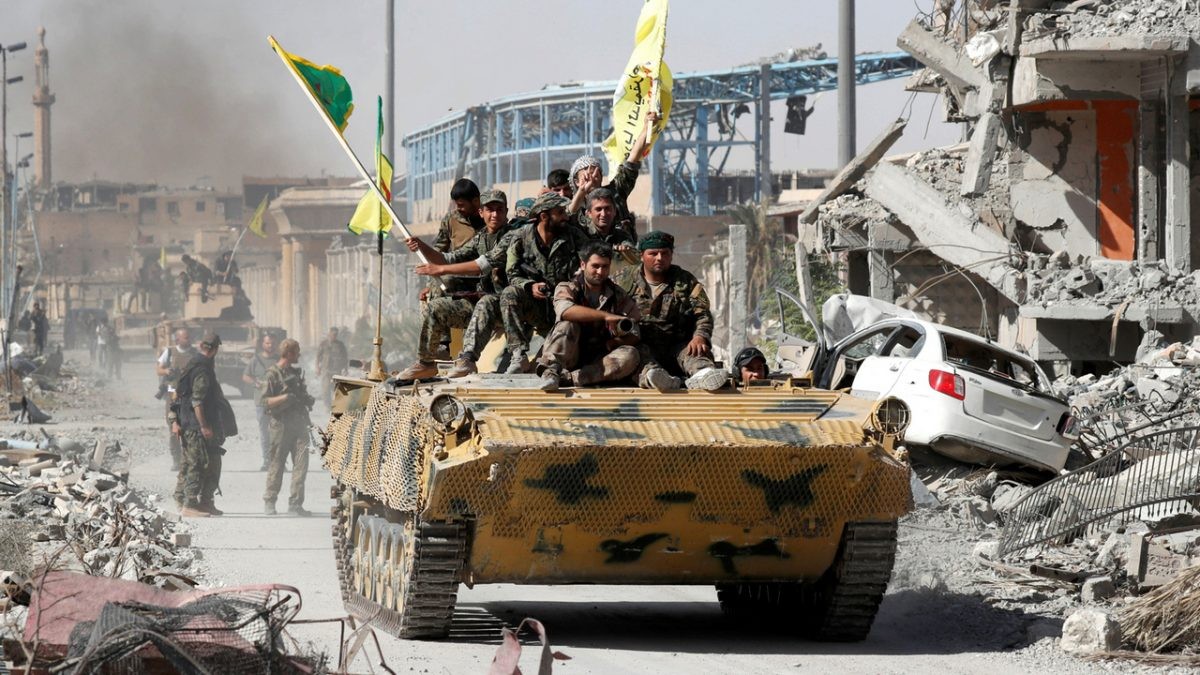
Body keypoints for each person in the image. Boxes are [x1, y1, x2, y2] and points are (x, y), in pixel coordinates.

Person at [401, 189, 523, 379]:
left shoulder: (512, 236)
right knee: (435, 308)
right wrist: (421, 246)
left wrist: (440, 270)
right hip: (484, 305)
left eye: (499, 210)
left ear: (506, 211)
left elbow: (482, 265)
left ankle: (467, 360)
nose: (495, 215)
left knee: (486, 303)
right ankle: (426, 363)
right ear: (481, 212)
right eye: (490, 210)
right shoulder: (481, 238)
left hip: (509, 307)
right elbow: (448, 258)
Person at [627, 231, 727, 392]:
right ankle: (655, 379)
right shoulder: (624, 280)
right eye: (653, 253)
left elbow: (703, 314)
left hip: (677, 345)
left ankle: (703, 374)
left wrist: (700, 336)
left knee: (695, 352)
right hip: (641, 345)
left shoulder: (685, 281)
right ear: (641, 256)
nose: (659, 258)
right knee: (636, 356)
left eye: (665, 253)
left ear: (671, 255)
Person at [537, 241, 642, 391]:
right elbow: (565, 311)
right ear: (583, 265)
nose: (600, 272)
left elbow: (634, 331)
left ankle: (570, 379)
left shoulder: (618, 294)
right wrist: (606, 316)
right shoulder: (568, 287)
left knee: (631, 354)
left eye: (605, 267)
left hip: (598, 358)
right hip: (569, 352)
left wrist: (616, 341)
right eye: (595, 266)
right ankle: (550, 372)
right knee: (567, 325)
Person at [566, 112, 658, 242]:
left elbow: (632, 159)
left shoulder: (616, 191)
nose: (591, 177)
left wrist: (646, 128)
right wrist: (582, 191)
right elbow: (568, 216)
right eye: (585, 174)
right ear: (576, 181)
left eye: (595, 172)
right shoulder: (574, 205)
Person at [172, 332, 233, 518]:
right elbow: (196, 402)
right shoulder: (202, 370)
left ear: (201, 346)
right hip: (196, 427)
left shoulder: (194, 365)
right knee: (196, 464)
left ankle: (206, 502)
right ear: (215, 349)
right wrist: (204, 426)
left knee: (212, 461)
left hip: (193, 424)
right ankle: (189, 504)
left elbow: (178, 394)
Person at [259, 338, 313, 516]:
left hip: (299, 424)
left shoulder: (295, 373)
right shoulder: (272, 374)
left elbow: (301, 395)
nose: (299, 355)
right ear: (289, 353)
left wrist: (306, 399)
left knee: (301, 465)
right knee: (277, 464)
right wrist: (284, 398)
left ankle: (295, 504)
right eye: (296, 352)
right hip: (280, 425)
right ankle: (270, 501)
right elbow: (264, 401)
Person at [156, 328, 197, 470]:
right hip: (172, 396)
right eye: (185, 337)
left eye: (189, 337)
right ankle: (176, 459)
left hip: (189, 396)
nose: (188, 340)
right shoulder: (169, 352)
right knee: (174, 429)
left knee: (190, 429)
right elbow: (158, 369)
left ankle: (189, 459)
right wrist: (166, 371)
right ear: (177, 339)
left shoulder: (195, 353)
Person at [243, 332, 278, 471]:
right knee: (265, 433)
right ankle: (267, 461)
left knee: (279, 432)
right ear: (263, 344)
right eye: (268, 343)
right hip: (262, 402)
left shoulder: (280, 359)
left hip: (278, 401)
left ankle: (278, 461)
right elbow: (246, 376)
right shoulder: (256, 360)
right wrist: (256, 383)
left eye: (273, 343)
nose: (270, 345)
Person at [315, 327, 349, 406]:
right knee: (326, 389)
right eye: (333, 334)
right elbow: (318, 357)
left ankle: (336, 406)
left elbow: (345, 358)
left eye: (336, 334)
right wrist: (317, 368)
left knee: (336, 390)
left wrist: (346, 369)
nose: (334, 336)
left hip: (337, 371)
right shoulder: (323, 344)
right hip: (326, 370)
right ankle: (327, 406)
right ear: (329, 334)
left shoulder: (340, 345)